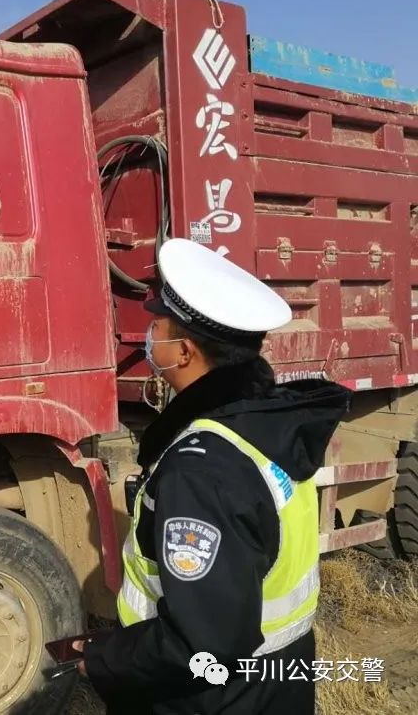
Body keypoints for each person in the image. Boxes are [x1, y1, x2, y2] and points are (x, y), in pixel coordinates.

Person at [74, 238, 351, 714]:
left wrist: (101, 660)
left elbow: (200, 643)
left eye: (156, 325)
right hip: (274, 683)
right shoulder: (262, 425)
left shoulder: (202, 470)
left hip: (211, 699)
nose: (148, 336)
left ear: (182, 352)